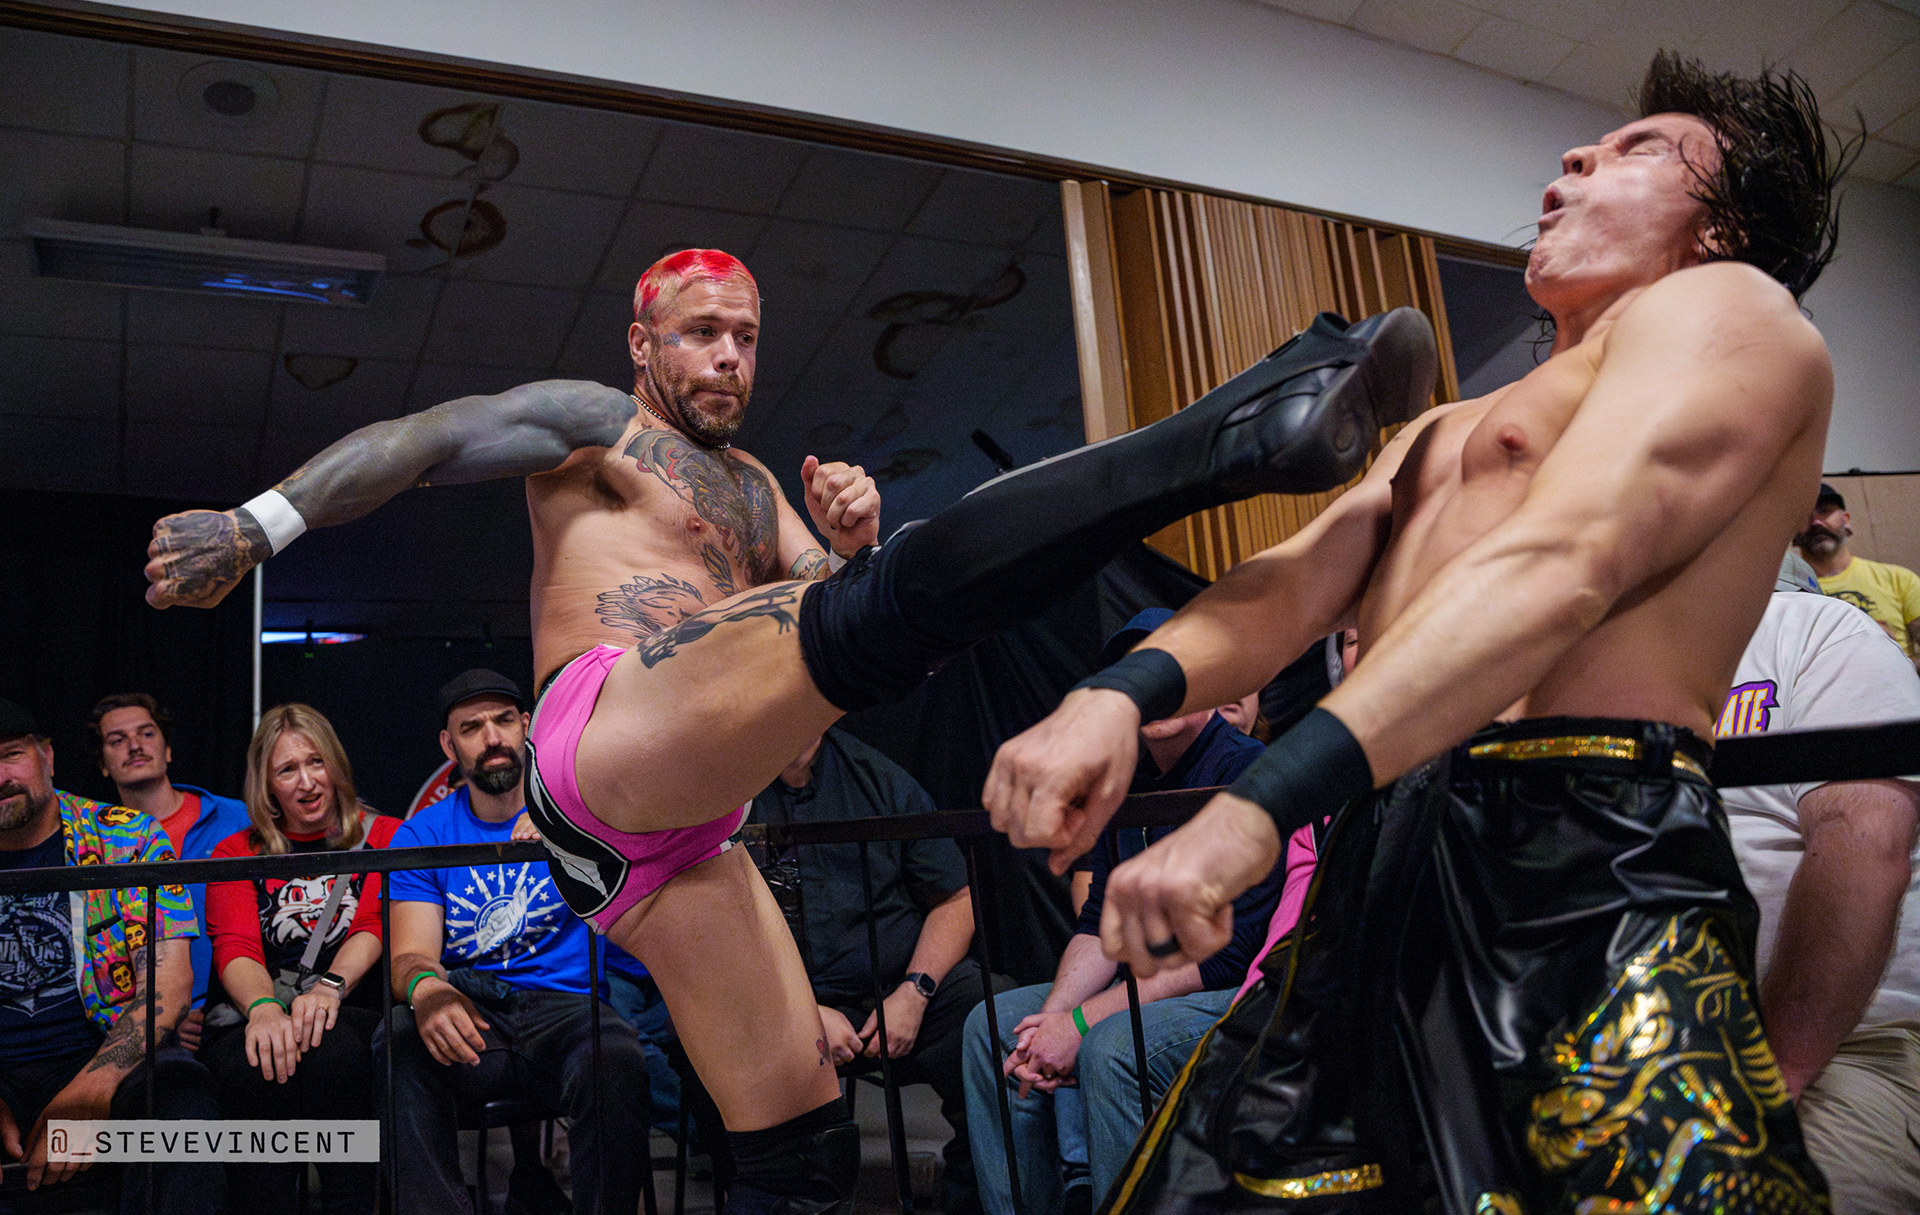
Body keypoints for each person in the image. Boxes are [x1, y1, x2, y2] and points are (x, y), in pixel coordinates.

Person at [143, 243, 1435, 1212]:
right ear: (644, 341)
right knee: (881, 604)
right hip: (601, 737)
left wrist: (856, 543)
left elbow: (850, 631)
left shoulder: (760, 490)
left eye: (747, 338)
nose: (729, 359)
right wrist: (257, 527)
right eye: (702, 333)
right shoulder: (596, 427)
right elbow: (424, 438)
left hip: (679, 840)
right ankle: (1253, 420)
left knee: (803, 1139)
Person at [985, 52, 1849, 1212]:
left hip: (1584, 859)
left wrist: (1259, 801)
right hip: (1382, 854)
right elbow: (1291, 585)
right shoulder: (1446, 426)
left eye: (1640, 148)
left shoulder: (1738, 312)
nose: (1577, 154)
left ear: (1724, 227)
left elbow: (1565, 560)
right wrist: (1118, 692)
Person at [964, 610, 1281, 1215]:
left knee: (1112, 1047)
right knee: (992, 1028)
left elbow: (1230, 957)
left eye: (1171, 674)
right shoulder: (1125, 780)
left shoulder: (1246, 769)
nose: (1158, 695)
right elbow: (1098, 927)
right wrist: (1053, 1019)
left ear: (1206, 681)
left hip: (1237, 988)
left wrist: (1081, 1025)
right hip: (1148, 982)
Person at [376, 669, 653, 1215]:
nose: (492, 737)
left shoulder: (580, 813)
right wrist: (428, 990)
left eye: (504, 720)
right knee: (399, 1042)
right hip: (476, 1013)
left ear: (528, 726)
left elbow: (640, 900)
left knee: (616, 1056)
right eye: (471, 727)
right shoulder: (424, 834)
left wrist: (563, 831)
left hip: (569, 1011)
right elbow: (410, 954)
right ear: (449, 745)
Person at [1717, 552, 1920, 1214]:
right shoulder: (1597, 671)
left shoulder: (1815, 630)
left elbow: (1863, 845)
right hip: (1639, 1042)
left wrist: (1775, 1076)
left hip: (1836, 1045)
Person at [748, 726, 1003, 1215]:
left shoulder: (881, 781)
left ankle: (976, 1199)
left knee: (986, 1007)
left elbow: (955, 898)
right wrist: (801, 1011)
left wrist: (914, 991)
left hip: (893, 993)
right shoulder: (722, 789)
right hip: (773, 998)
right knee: (707, 1032)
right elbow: (705, 931)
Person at [0, 697, 219, 1215]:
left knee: (182, 1104)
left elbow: (169, 984)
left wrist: (93, 1088)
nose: (1, 777)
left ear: (47, 757)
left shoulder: (127, 835)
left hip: (103, 1051)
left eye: (11, 755)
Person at [199, 703, 399, 1215]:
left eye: (316, 762)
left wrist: (330, 987)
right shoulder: (235, 852)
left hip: (350, 1001)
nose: (307, 782)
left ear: (336, 765)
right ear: (267, 785)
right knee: (256, 1062)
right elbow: (235, 945)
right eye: (287, 770)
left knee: (336, 1054)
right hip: (261, 1000)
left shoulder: (386, 836)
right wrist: (264, 1009)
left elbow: (373, 923)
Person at [89, 692, 252, 1052]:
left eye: (147, 734)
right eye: (117, 740)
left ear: (168, 750)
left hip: (238, 1016)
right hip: (142, 1030)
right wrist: (162, 1021)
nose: (135, 746)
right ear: (103, 764)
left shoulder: (237, 819)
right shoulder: (93, 846)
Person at [1794, 482, 1920, 664]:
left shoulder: (1898, 579)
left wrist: (1898, 662)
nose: (1816, 522)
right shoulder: (1780, 594)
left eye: (1824, 511)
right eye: (1805, 515)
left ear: (1846, 520)